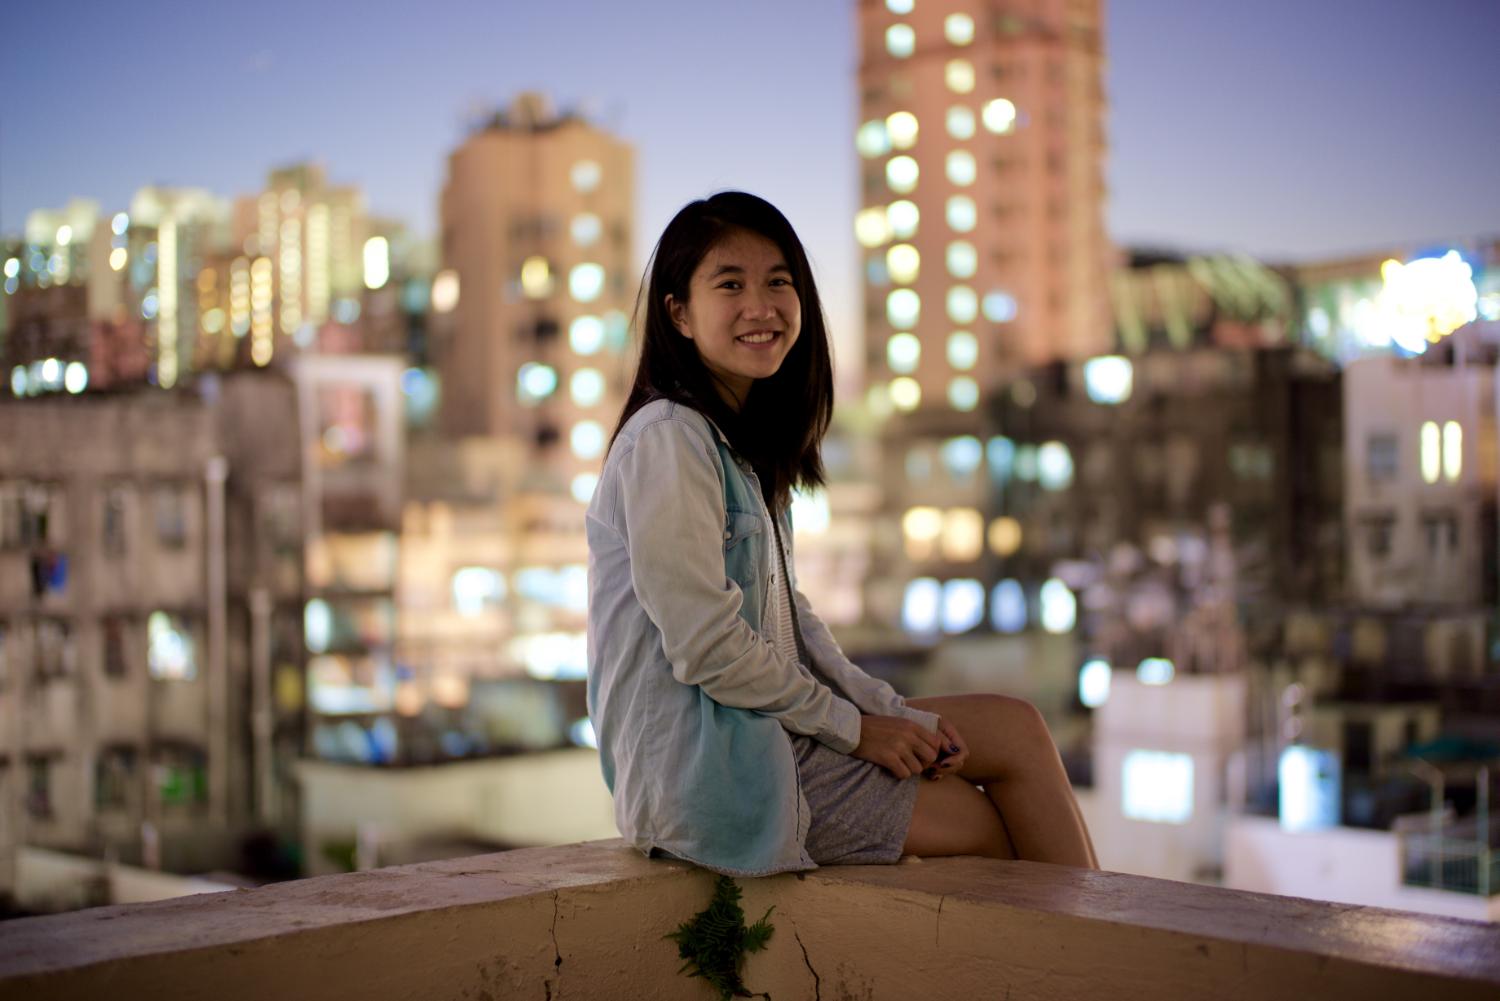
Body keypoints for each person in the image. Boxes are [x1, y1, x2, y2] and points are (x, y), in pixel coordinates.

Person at [585, 191, 1097, 876]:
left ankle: (1104, 940)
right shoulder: (669, 439)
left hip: (763, 731)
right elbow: (707, 647)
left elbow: (792, 624)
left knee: (1018, 728)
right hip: (711, 773)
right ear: (678, 312)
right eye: (730, 284)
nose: (761, 306)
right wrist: (859, 733)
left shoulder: (737, 448)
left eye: (778, 282)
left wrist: (887, 712)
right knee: (984, 824)